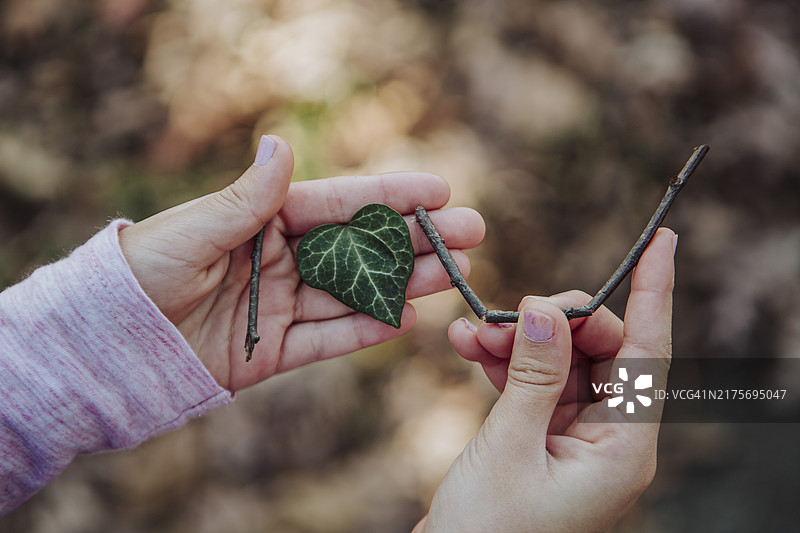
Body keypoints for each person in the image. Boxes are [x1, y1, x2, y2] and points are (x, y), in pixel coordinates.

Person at [0, 135, 675, 531]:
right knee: (640, 342)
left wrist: (97, 336)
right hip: (595, 398)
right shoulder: (585, 389)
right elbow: (590, 389)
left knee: (632, 337)